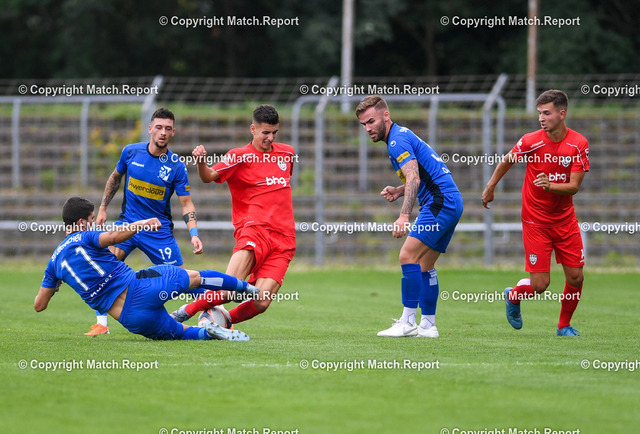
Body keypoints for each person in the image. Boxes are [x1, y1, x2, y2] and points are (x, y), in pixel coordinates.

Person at [34, 197, 257, 341]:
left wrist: (54, 287)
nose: (94, 223)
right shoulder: (85, 236)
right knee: (196, 277)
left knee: (181, 332)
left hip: (133, 319)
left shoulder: (54, 263)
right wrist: (142, 224)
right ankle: (245, 288)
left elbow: (39, 306)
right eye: (92, 219)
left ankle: (208, 332)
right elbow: (112, 237)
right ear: (81, 223)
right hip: (142, 288)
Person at [170, 104, 296, 327]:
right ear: (253, 129)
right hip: (254, 231)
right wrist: (201, 161)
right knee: (229, 290)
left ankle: (225, 320)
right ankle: (184, 312)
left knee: (262, 302)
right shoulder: (239, 156)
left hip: (284, 239)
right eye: (265, 132)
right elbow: (208, 177)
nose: (270, 138)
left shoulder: (287, 153)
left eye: (275, 132)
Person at [482, 89, 589, 337]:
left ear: (562, 114)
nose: (541, 118)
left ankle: (563, 326)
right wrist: (490, 186)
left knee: (576, 278)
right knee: (540, 285)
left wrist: (550, 185)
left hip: (565, 221)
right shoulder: (531, 141)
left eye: (547, 113)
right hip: (535, 221)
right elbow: (508, 159)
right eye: (540, 113)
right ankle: (513, 295)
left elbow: (574, 186)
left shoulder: (578, 143)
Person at [87, 107, 203, 335]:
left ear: (173, 132)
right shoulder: (131, 152)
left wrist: (194, 234)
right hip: (128, 225)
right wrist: (102, 208)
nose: (163, 132)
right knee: (103, 267)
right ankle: (102, 324)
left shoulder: (176, 166)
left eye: (168, 129)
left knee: (183, 279)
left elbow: (187, 203)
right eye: (158, 127)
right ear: (150, 129)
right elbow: (115, 177)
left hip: (157, 231)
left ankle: (215, 307)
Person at [355, 95, 463, 338]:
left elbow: (414, 177)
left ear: (386, 116)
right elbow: (423, 176)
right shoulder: (401, 135)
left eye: (371, 121)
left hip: (440, 202)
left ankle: (407, 321)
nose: (368, 128)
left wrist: (404, 216)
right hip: (451, 200)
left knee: (407, 256)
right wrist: (399, 190)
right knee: (425, 264)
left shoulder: (397, 141)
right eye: (363, 124)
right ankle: (428, 325)